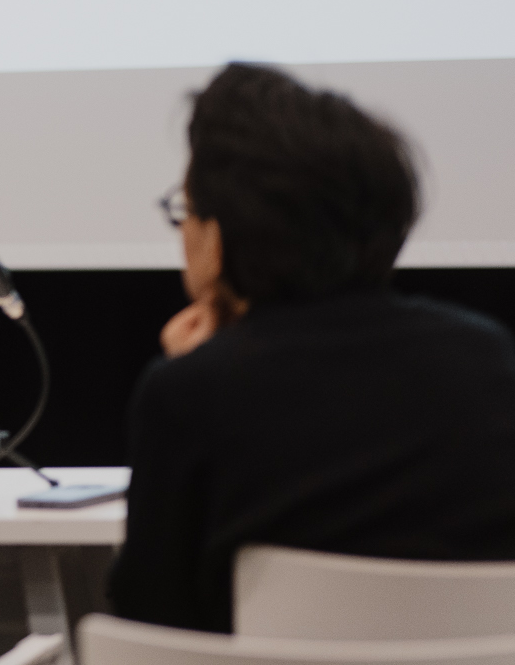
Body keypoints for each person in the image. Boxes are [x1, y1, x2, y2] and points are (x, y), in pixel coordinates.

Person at [109, 63, 515, 633]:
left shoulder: (188, 393)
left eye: (186, 212)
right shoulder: (489, 359)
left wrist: (196, 371)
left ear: (219, 236)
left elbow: (152, 621)